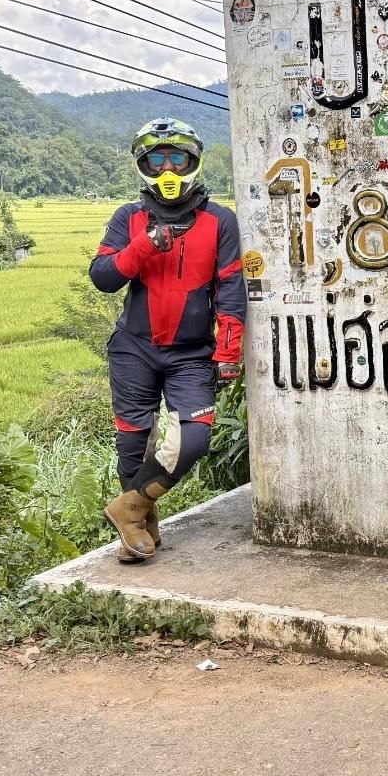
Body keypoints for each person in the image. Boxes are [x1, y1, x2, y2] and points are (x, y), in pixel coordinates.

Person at [89, 118, 246, 562]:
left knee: (193, 439)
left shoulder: (220, 221)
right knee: (133, 444)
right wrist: (144, 245)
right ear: (143, 166)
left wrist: (228, 351)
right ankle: (139, 531)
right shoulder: (129, 218)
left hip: (192, 355)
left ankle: (129, 508)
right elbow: (103, 277)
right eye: (156, 160)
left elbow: (231, 289)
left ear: (193, 161)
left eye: (177, 158)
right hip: (134, 349)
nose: (168, 170)